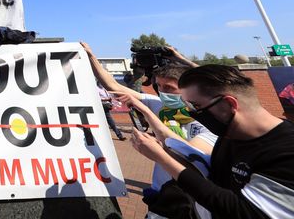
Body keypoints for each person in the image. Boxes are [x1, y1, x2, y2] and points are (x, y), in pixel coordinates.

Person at [131, 64, 294, 218]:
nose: (191, 113)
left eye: (196, 106)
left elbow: (241, 211)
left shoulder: (286, 151)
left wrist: (162, 158)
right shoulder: (230, 135)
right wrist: (165, 151)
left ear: (229, 103)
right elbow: (210, 173)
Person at [83, 42, 217, 218]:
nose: (162, 93)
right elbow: (113, 86)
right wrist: (91, 57)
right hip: (161, 195)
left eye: (169, 88)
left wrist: (146, 111)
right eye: (159, 87)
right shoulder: (160, 105)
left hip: (194, 199)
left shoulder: (209, 118)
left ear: (187, 89)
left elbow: (187, 153)